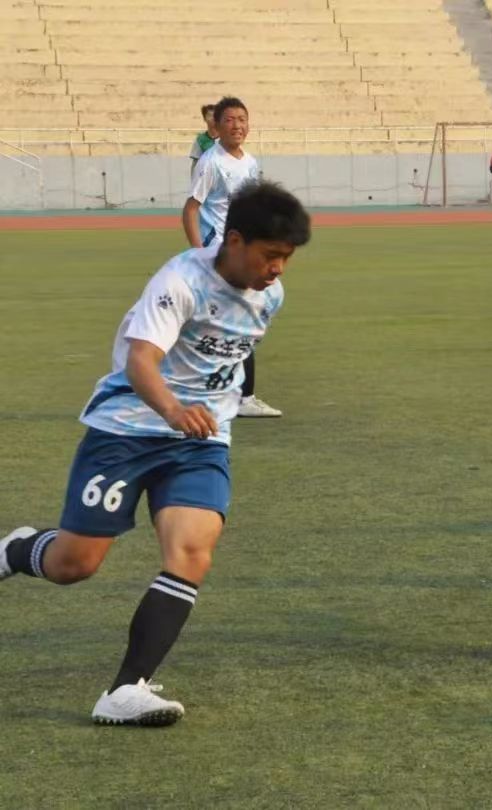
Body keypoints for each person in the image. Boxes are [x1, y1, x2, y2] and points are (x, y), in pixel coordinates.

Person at [0, 182, 311, 726]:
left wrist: (210, 412)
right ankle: (17, 549)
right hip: (126, 430)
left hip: (200, 442)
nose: (277, 269)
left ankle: (125, 689)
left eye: (286, 257)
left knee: (192, 553)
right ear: (234, 240)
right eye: (270, 255)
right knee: (74, 565)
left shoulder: (271, 296)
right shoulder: (179, 281)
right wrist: (172, 409)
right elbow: (141, 360)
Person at [182, 96, 280, 419]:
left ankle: (213, 392)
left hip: (244, 253)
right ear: (217, 126)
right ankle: (241, 397)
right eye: (230, 120)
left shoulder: (249, 161)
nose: (237, 125)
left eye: (242, 119)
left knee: (227, 323)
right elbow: (191, 209)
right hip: (221, 254)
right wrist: (199, 252)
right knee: (240, 321)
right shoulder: (211, 162)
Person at [188, 103, 217, 178]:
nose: (212, 118)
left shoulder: (226, 137)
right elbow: (195, 163)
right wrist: (194, 181)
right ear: (204, 119)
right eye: (209, 115)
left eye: (215, 115)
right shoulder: (200, 139)